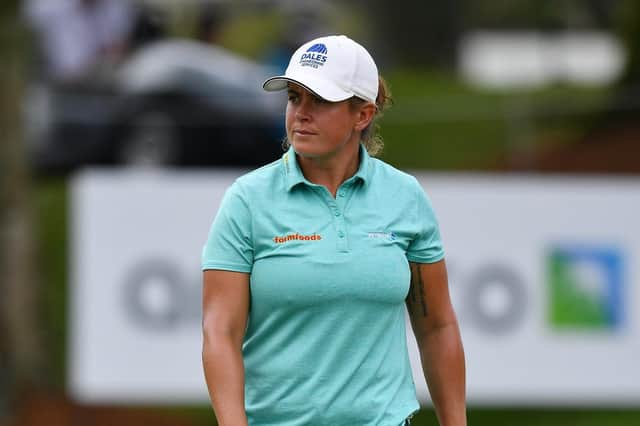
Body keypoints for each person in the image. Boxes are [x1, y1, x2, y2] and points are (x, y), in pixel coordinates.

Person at [201, 35, 466, 426]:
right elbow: (219, 332)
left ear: (363, 115)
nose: (300, 113)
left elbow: (438, 326)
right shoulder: (247, 201)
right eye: (294, 97)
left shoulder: (405, 197)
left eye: (319, 100)